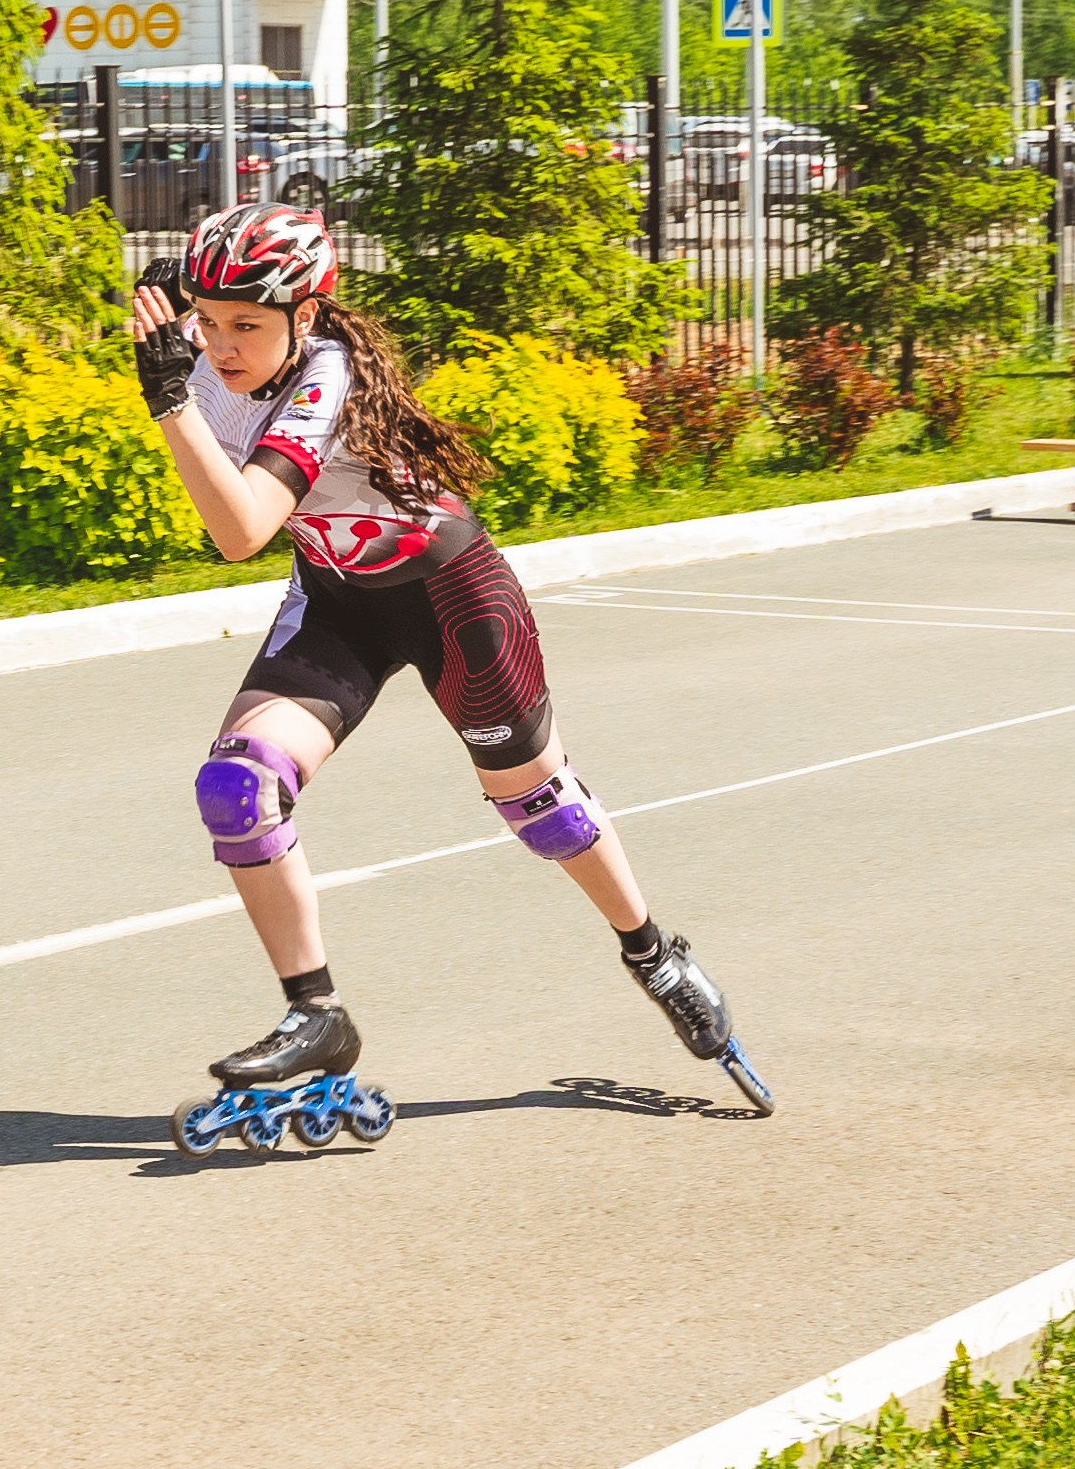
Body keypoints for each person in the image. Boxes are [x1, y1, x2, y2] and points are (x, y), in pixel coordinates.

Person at [130, 202, 771, 1115]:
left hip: (447, 597)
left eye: (248, 327)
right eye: (209, 323)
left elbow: (238, 532)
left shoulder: (325, 380)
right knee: (238, 787)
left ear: (304, 319)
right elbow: (169, 320)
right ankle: (317, 1015)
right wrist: (167, 305)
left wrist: (170, 401)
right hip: (340, 598)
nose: (221, 347)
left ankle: (653, 952)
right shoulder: (202, 343)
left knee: (538, 811)